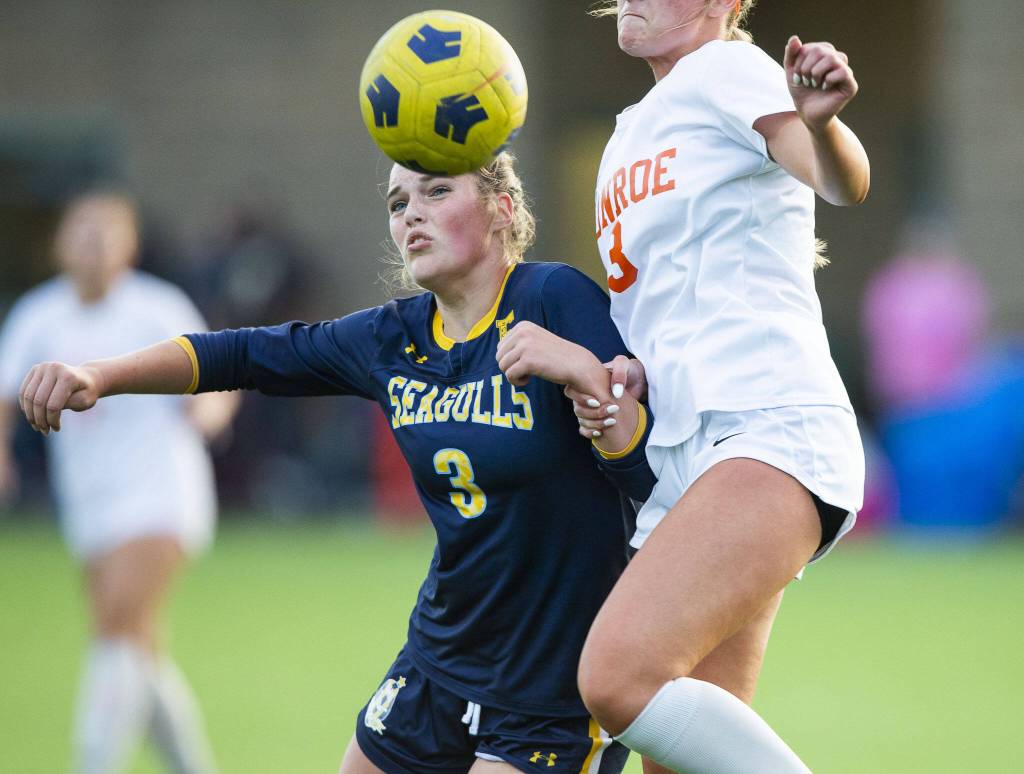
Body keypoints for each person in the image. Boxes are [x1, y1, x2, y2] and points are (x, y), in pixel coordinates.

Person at [17, 155, 659, 774]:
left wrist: (584, 375)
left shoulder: (554, 298)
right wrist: (101, 376)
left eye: (437, 191)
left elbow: (647, 477)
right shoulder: (392, 337)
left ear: (502, 209)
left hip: (550, 684)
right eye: (398, 203)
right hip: (439, 662)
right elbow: (241, 356)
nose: (412, 214)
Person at [550, 2, 869, 771]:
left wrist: (824, 123)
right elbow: (658, 301)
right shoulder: (629, 131)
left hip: (766, 425)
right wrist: (630, 369)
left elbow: (839, 181)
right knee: (679, 758)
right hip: (684, 461)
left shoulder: (726, 67)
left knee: (615, 677)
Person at [0, 191, 239, 774]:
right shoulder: (40, 314)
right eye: (83, 231)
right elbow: (5, 395)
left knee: (116, 629)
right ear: (60, 243)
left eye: (107, 233)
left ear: (129, 246)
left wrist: (209, 412)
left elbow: (220, 373)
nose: (94, 244)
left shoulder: (157, 308)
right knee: (137, 645)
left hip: (161, 494)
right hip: (91, 506)